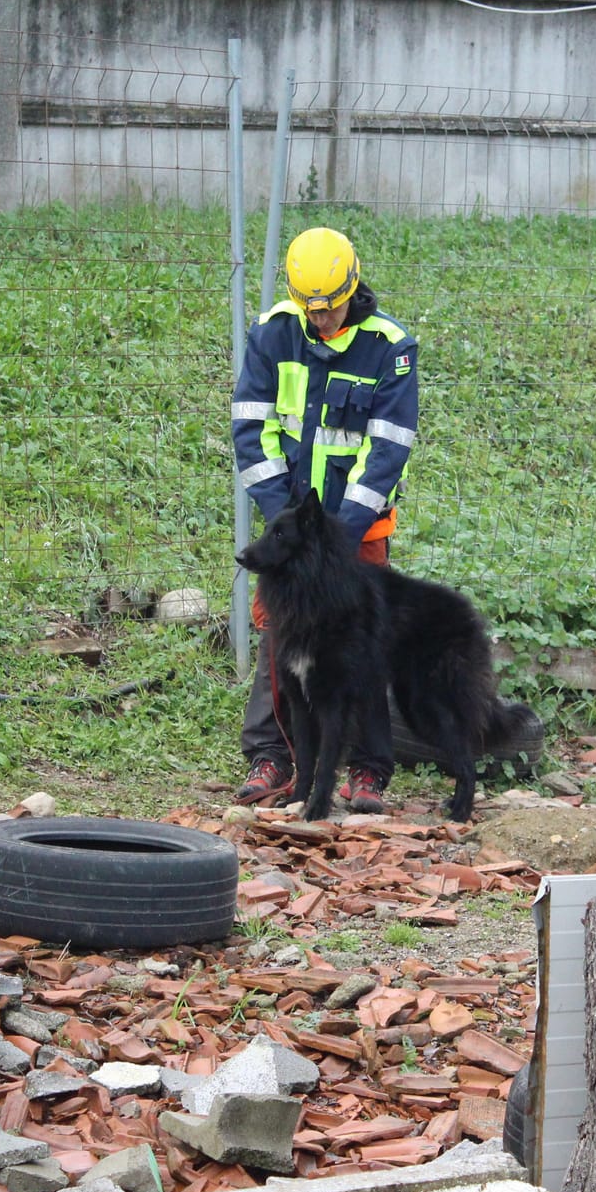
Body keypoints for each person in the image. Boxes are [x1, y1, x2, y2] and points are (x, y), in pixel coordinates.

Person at [232, 227, 418, 811]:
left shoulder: (390, 347)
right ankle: (273, 758)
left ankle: (366, 771)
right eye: (314, 311)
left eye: (333, 308)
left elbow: (386, 449)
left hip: (356, 529)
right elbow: (252, 430)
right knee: (277, 632)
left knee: (360, 646)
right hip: (291, 525)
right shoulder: (272, 335)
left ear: (352, 285)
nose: (325, 321)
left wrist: (338, 534)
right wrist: (285, 523)